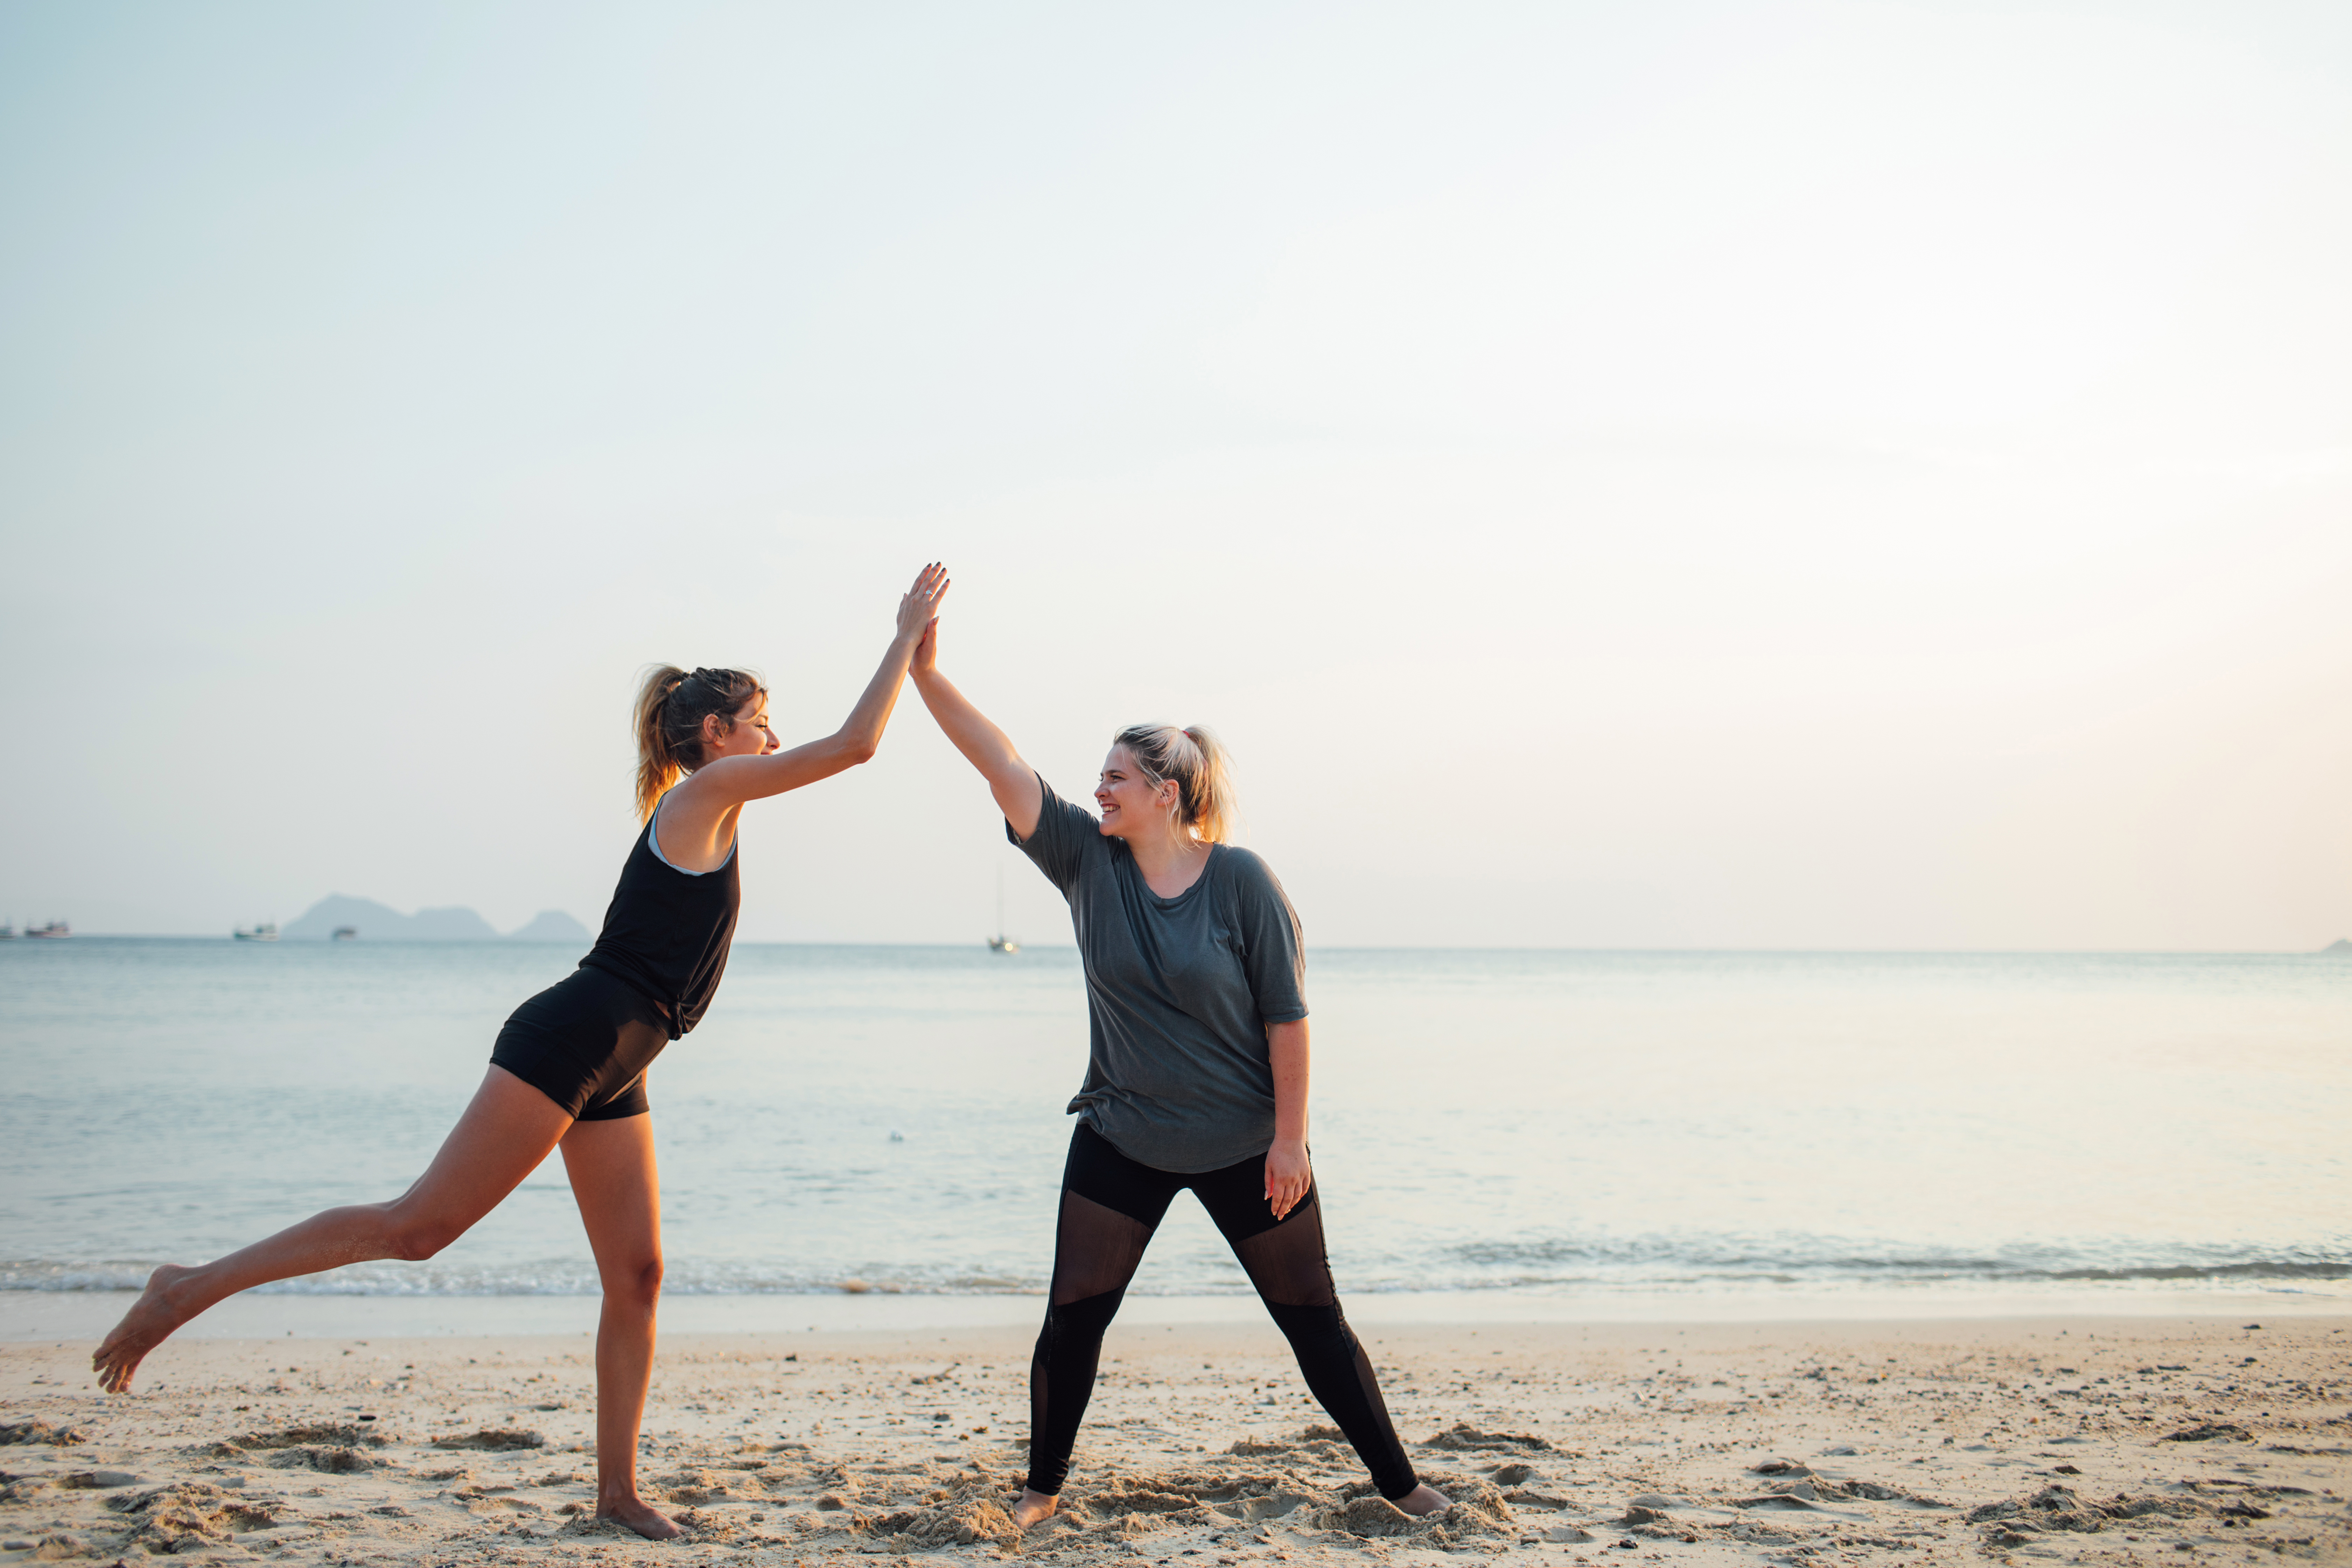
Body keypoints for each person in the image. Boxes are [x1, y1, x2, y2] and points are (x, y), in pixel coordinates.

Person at [90, 564, 952, 1540]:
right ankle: (184, 1289)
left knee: (638, 1277)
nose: (772, 737)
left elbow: (832, 751)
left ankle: (618, 1493)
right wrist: (906, 635)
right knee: (418, 1227)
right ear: (717, 736)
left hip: (618, 1061)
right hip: (575, 1036)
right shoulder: (708, 790)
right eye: (761, 720)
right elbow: (858, 746)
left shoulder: (716, 802)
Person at [908, 613, 1450, 1526]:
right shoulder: (1086, 859)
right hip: (1124, 1132)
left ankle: (1403, 1486)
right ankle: (1041, 1492)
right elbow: (1000, 761)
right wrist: (925, 672)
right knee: (1072, 1318)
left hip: (1247, 1143)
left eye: (1116, 776)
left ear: (1165, 792)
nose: (1099, 789)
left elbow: (1288, 1017)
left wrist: (1289, 1141)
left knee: (1311, 1321)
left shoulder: (1242, 881)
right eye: (1101, 777)